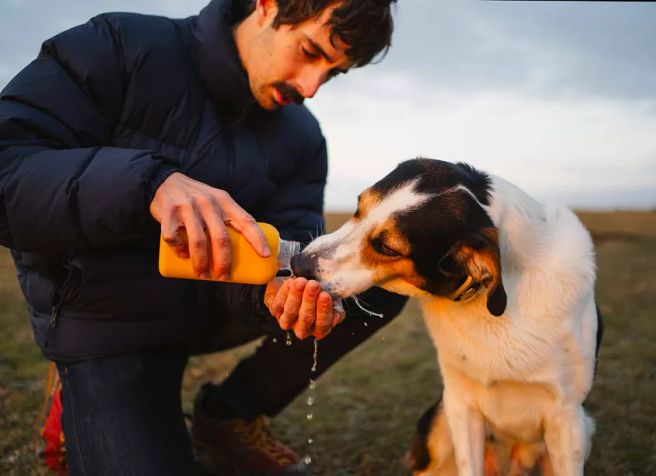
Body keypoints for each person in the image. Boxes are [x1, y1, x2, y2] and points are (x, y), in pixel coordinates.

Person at [0, 0, 406, 474]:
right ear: (265, 6)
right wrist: (144, 185)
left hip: (213, 306)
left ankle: (228, 415)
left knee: (373, 285)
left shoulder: (302, 135)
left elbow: (292, 236)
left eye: (333, 73)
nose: (310, 87)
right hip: (109, 323)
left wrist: (280, 292)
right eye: (309, 51)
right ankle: (80, 397)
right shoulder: (119, 46)